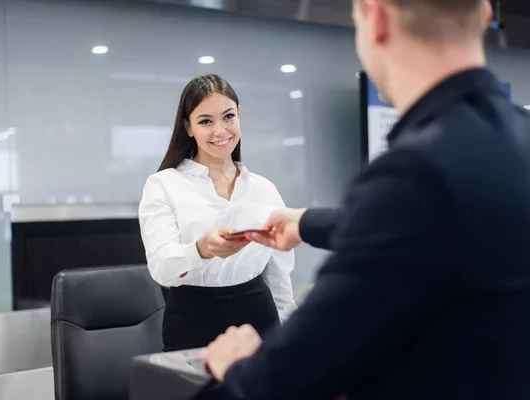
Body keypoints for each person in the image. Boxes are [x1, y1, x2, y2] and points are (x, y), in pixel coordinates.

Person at [199, 0, 530, 399]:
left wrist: (238, 365)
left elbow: (286, 379)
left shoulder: (417, 171)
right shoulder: (515, 138)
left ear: (376, 18)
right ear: (481, 14)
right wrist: (305, 222)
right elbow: (453, 226)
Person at [138, 74, 297, 352]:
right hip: (193, 323)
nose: (220, 131)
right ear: (188, 127)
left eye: (228, 117)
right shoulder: (163, 185)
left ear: (239, 115)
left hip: (260, 321)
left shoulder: (264, 189)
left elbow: (279, 275)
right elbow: (161, 267)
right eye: (205, 121)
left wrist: (289, 334)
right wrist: (201, 249)